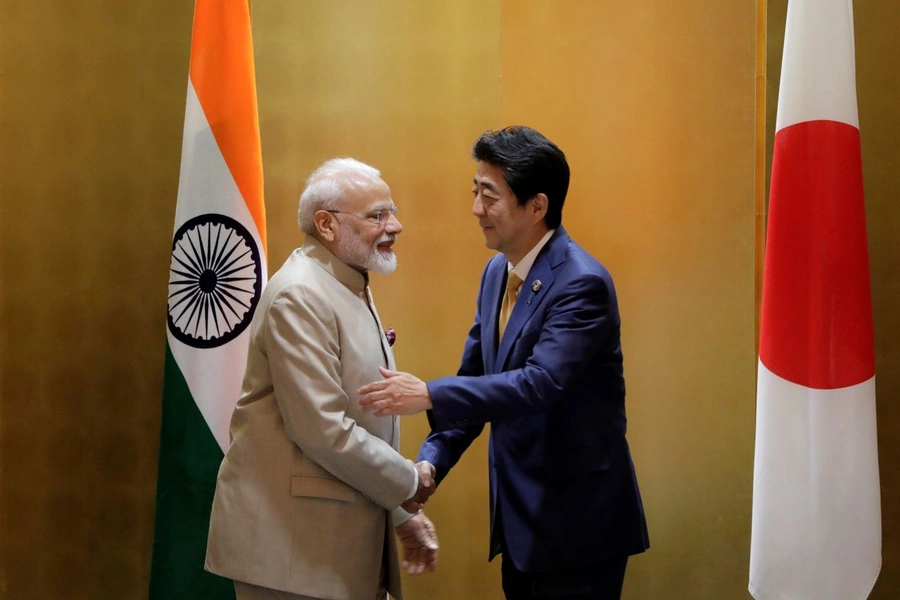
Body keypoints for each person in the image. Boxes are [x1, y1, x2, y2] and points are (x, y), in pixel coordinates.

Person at [358, 127, 649, 600]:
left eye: (489, 195)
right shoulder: (498, 272)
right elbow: (479, 383)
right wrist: (430, 465)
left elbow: (538, 385)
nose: (476, 209)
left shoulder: (582, 283)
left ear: (537, 206)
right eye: (475, 191)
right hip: (519, 524)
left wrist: (428, 392)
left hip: (576, 529)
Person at [206, 158, 439, 600]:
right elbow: (324, 431)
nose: (396, 225)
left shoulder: (344, 281)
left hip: (324, 546)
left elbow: (359, 416)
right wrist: (408, 483)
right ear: (327, 225)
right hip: (292, 553)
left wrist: (401, 513)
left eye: (391, 211)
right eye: (378, 215)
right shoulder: (301, 294)